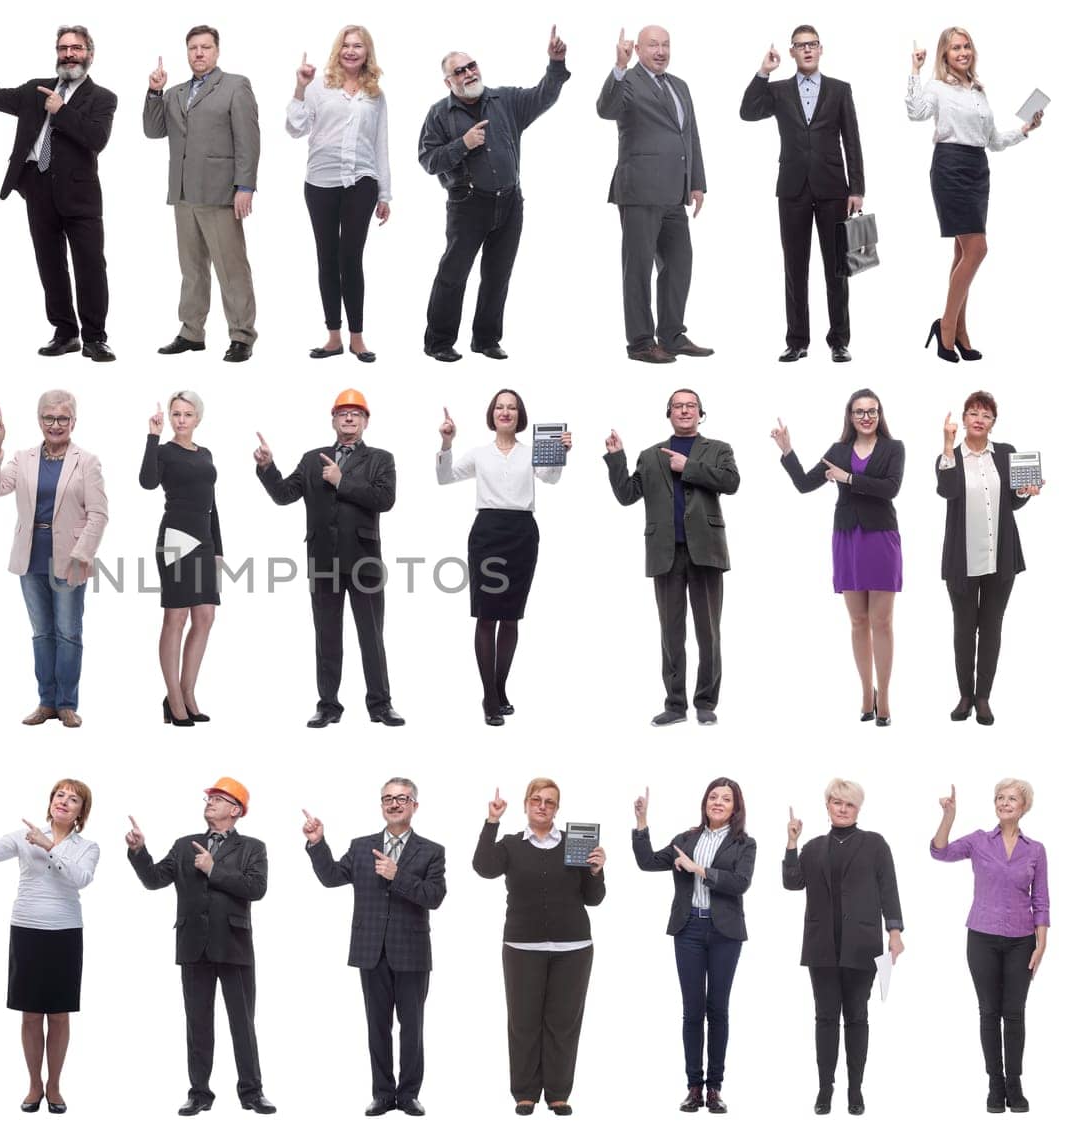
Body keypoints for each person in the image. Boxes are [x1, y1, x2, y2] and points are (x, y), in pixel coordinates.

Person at [0, 26, 117, 361]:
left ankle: (95, 338)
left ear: (89, 53)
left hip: (80, 194)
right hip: (38, 187)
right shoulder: (35, 90)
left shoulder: (102, 98)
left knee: (90, 265)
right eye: (63, 48)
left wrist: (62, 110)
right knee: (50, 264)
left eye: (76, 48)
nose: (69, 54)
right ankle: (65, 333)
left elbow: (96, 139)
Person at [417, 31, 570, 362]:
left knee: (498, 273)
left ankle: (486, 339)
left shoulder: (506, 100)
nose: (469, 73)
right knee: (453, 274)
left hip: (510, 203)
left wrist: (556, 64)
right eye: (460, 71)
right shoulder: (439, 115)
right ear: (448, 82)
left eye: (471, 66)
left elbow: (544, 95)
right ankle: (439, 342)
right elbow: (428, 160)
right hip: (468, 204)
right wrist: (463, 144)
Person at [127, 778, 275, 1115]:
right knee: (197, 1023)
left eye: (219, 799)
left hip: (234, 946)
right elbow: (153, 880)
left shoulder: (253, 847)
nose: (210, 802)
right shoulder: (184, 845)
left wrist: (213, 868)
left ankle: (252, 1092)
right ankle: (198, 1093)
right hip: (193, 945)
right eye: (209, 797)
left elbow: (256, 888)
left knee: (243, 1022)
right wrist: (138, 851)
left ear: (236, 811)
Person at [256, 390, 402, 728]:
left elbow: (385, 499)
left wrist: (342, 481)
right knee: (327, 636)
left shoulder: (381, 459)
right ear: (333, 420)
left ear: (366, 421)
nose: (349, 419)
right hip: (323, 561)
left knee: (372, 636)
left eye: (356, 414)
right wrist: (267, 468)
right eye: (343, 414)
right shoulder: (312, 459)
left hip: (365, 561)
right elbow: (284, 495)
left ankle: (381, 705)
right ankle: (328, 706)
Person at [303, 778, 448, 1116]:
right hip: (370, 949)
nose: (394, 803)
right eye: (387, 798)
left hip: (411, 952)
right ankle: (383, 1094)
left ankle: (408, 1094)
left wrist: (398, 875)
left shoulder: (431, 851)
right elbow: (331, 877)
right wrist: (317, 843)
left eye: (402, 798)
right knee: (377, 1026)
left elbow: (435, 897)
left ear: (414, 805)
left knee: (412, 1027)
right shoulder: (361, 846)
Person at [0, 777, 99, 1113]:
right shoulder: (25, 836)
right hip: (27, 930)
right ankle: (35, 1084)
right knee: (31, 1013)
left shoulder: (88, 846)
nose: (63, 801)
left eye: (73, 799)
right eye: (59, 795)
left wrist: (50, 846)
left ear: (81, 812)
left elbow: (82, 879)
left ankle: (54, 1086)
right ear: (50, 802)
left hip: (65, 932)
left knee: (61, 1014)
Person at [907, 28, 1044, 361]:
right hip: (950, 167)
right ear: (944, 54)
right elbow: (916, 112)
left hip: (978, 169)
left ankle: (960, 331)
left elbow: (993, 140)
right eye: (955, 47)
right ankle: (947, 327)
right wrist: (915, 71)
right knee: (977, 249)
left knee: (963, 252)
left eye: (966, 45)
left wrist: (1026, 130)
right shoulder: (937, 86)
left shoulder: (979, 90)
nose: (962, 51)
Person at [605, 389, 738, 725]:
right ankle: (675, 705)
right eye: (677, 406)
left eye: (690, 406)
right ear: (669, 413)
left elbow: (731, 482)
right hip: (666, 553)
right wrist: (617, 458)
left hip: (706, 551)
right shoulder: (650, 456)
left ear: (700, 413)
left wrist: (689, 467)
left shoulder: (719, 449)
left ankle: (706, 702)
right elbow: (627, 495)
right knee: (671, 632)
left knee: (709, 632)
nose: (684, 411)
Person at [437, 391, 570, 724]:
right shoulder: (480, 454)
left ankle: (499, 688)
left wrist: (560, 454)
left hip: (522, 533)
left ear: (520, 414)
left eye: (512, 407)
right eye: (500, 407)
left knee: (511, 616)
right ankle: (489, 697)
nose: (505, 412)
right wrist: (447, 443)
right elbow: (445, 477)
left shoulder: (532, 451)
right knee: (486, 615)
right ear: (492, 414)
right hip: (487, 533)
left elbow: (550, 479)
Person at [772, 390, 904, 724]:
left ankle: (885, 696)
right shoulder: (838, 450)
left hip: (880, 537)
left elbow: (890, 488)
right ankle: (865, 692)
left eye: (872, 411)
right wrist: (788, 451)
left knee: (882, 621)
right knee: (858, 621)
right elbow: (804, 484)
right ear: (850, 416)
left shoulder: (893, 448)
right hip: (848, 537)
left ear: (879, 414)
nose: (866, 417)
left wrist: (849, 479)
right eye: (859, 412)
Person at [474, 779, 605, 1116]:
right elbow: (483, 867)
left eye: (550, 801)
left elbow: (593, 898)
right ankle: (525, 1093)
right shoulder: (511, 844)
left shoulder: (576, 842)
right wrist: (491, 822)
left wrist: (596, 870)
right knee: (523, 1021)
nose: (542, 805)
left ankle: (559, 1093)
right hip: (522, 946)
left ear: (557, 809)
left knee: (563, 1023)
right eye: (536, 799)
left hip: (574, 947)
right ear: (526, 804)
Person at [0, 390, 108, 729]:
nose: (55, 425)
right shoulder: (23, 458)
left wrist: (82, 555)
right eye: (49, 418)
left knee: (68, 632)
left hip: (70, 559)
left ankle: (67, 704)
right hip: (30, 556)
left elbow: (98, 514)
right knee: (42, 633)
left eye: (63, 419)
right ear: (39, 420)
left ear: (74, 421)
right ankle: (45, 703)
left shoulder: (87, 461)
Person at [739, 26, 864, 363]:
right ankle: (797, 341)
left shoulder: (840, 90)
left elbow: (851, 140)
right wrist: (763, 72)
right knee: (795, 268)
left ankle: (839, 340)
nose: (807, 50)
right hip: (792, 188)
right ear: (792, 52)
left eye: (812, 45)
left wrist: (857, 188)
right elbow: (747, 112)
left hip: (833, 189)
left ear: (821, 49)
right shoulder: (778, 91)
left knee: (838, 268)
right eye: (800, 46)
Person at [632, 778, 756, 1114]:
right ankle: (693, 1087)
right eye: (713, 797)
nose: (718, 802)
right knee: (692, 1011)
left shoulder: (744, 843)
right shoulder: (686, 838)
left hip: (725, 932)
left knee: (718, 1010)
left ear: (735, 807)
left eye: (725, 799)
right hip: (689, 929)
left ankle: (714, 1087)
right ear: (705, 802)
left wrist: (697, 868)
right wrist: (642, 824)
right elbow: (647, 862)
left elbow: (740, 883)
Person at [783, 779, 904, 1116]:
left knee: (856, 1018)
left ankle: (855, 1089)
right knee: (824, 1018)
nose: (842, 808)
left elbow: (889, 888)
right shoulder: (813, 847)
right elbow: (792, 883)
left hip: (862, 945)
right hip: (822, 946)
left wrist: (894, 931)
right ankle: (825, 1089)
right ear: (827, 805)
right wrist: (791, 842)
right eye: (836, 802)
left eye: (848, 804)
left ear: (857, 809)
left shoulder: (875, 844)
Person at [930, 779, 1049, 1113]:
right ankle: (995, 1085)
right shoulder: (980, 841)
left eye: (1012, 798)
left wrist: (1041, 944)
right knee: (989, 1012)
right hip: (981, 937)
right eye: (1000, 797)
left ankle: (1015, 1083)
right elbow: (939, 851)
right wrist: (949, 817)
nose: (1004, 802)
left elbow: (1041, 900)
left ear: (1024, 806)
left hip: (1021, 941)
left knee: (1014, 1013)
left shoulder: (1035, 850)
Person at [143, 25, 260, 363]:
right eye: (193, 48)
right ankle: (192, 332)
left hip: (220, 191)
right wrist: (154, 91)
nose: (199, 53)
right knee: (192, 268)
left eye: (205, 47)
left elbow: (248, 141)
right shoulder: (175, 92)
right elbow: (153, 131)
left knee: (231, 267)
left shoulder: (236, 86)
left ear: (217, 51)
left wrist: (245, 186)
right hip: (183, 192)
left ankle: (241, 335)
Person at [597, 26, 711, 364]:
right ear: (638, 49)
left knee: (679, 265)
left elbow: (690, 135)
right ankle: (641, 343)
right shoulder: (628, 81)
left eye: (665, 44)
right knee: (638, 269)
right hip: (640, 190)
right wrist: (619, 67)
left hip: (676, 192)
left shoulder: (680, 86)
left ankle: (672, 335)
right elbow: (606, 108)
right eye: (652, 45)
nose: (660, 51)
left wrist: (697, 182)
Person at [937, 391, 1041, 725]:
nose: (979, 419)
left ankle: (983, 698)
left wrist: (1025, 493)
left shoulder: (1006, 454)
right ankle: (964, 695)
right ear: (964, 420)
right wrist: (946, 442)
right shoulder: (950, 456)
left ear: (993, 423)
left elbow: (1011, 503)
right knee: (964, 630)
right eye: (973, 413)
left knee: (991, 629)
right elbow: (946, 490)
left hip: (1001, 558)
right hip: (962, 560)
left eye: (986, 415)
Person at [288, 26, 391, 362]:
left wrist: (385, 194)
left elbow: (380, 145)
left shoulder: (375, 94)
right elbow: (295, 128)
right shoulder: (319, 85)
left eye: (357, 46)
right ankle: (333, 337)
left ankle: (357, 337)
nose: (350, 51)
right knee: (327, 257)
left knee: (351, 257)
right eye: (345, 45)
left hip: (361, 180)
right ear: (337, 50)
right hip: (320, 182)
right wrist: (300, 88)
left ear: (367, 52)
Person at [141, 392, 222, 726]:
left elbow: (212, 503)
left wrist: (218, 549)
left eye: (187, 414)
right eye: (176, 413)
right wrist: (152, 436)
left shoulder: (206, 454)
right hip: (175, 539)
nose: (181, 419)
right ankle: (173, 697)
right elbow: (147, 482)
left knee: (205, 617)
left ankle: (188, 691)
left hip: (204, 540)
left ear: (197, 418)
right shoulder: (163, 451)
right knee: (175, 617)